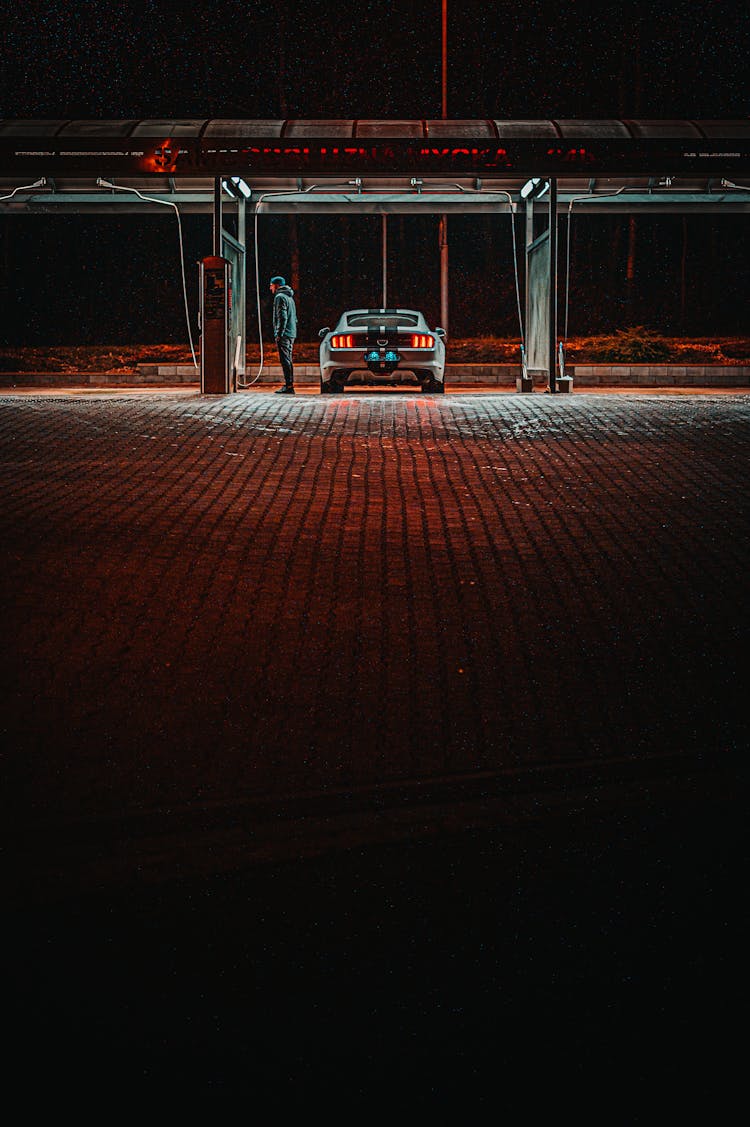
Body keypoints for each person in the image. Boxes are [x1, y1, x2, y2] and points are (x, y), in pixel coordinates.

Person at [269, 276, 297, 394]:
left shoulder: (279, 297)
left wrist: (279, 333)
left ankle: (289, 385)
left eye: (271, 285)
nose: (270, 288)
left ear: (277, 285)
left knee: (285, 359)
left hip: (285, 334)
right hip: (291, 332)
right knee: (288, 359)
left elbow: (282, 317)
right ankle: (289, 384)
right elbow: (294, 317)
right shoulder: (289, 297)